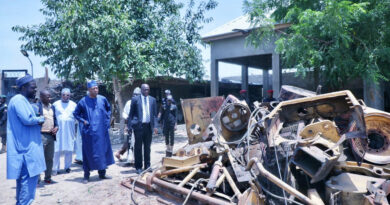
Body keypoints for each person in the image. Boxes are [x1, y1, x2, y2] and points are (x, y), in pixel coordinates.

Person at [7, 74, 45, 204]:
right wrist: (41, 119)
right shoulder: (18, 100)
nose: (35, 90)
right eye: (33, 88)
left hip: (26, 150)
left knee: (24, 186)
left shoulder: (21, 100)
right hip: (26, 152)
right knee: (27, 190)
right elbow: (28, 119)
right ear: (23, 87)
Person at [73, 80, 114, 183]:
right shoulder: (83, 101)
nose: (96, 90)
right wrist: (84, 121)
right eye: (93, 89)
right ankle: (86, 175)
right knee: (88, 153)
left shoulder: (102, 99)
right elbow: (76, 114)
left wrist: (106, 121)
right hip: (89, 133)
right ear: (89, 90)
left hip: (101, 131)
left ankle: (102, 173)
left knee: (102, 151)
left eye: (97, 88)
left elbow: (108, 110)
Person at [128, 84, 158, 174]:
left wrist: (155, 126)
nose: (146, 91)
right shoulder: (135, 100)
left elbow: (155, 115)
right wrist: (130, 126)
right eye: (144, 90)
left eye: (148, 90)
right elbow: (131, 114)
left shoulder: (152, 100)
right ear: (141, 90)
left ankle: (147, 166)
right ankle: (138, 167)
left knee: (147, 147)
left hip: (148, 127)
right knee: (138, 147)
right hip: (138, 127)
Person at [52, 88, 77, 174]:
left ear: (70, 95)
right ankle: (55, 168)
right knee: (56, 149)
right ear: (61, 95)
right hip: (58, 129)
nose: (65, 97)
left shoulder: (74, 105)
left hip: (70, 129)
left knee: (69, 148)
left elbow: (77, 116)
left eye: (67, 95)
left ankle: (67, 167)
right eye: (64, 95)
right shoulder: (55, 104)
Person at [36, 90, 58, 184]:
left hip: (51, 136)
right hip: (41, 135)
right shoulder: (37, 107)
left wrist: (57, 127)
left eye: (50, 97)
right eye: (47, 97)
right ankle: (36, 180)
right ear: (41, 97)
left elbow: (55, 119)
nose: (50, 98)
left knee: (49, 158)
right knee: (39, 158)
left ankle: (48, 178)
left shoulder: (52, 106)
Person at [115, 87, 141, 163]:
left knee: (134, 142)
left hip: (139, 126)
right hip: (131, 125)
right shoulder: (129, 102)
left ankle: (121, 153)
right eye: (135, 94)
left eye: (137, 95)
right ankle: (129, 158)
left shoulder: (140, 102)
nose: (135, 96)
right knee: (130, 141)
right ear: (133, 94)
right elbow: (125, 114)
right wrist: (128, 123)